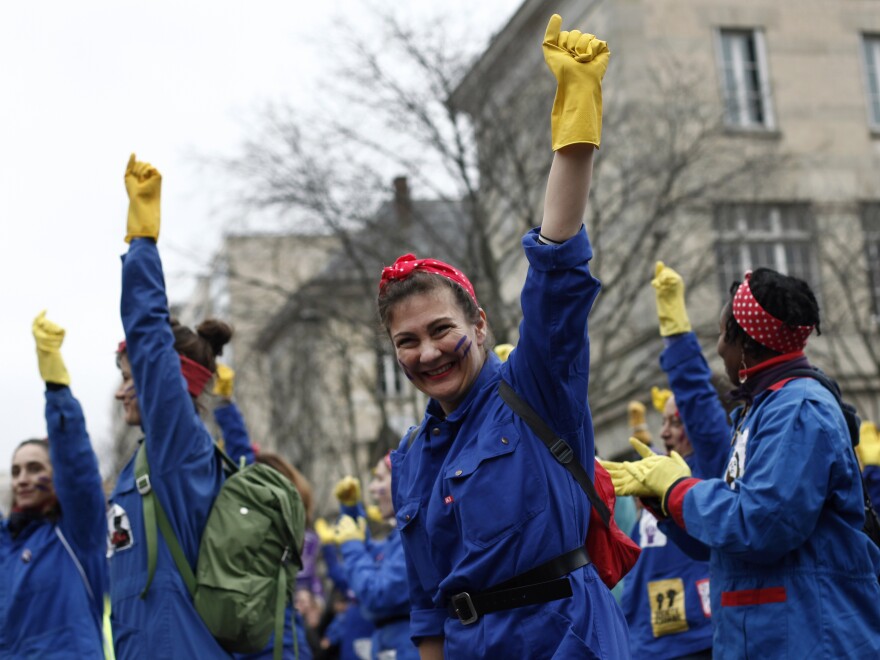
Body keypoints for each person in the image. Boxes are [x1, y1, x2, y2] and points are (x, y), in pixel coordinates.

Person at [377, 14, 628, 658]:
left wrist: (574, 140)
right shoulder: (408, 458)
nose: (427, 352)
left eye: (441, 330)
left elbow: (557, 283)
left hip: (566, 640)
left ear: (480, 325)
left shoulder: (536, 387)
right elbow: (427, 604)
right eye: (407, 342)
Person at [603, 266, 880, 658]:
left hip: (810, 639)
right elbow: (724, 542)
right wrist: (664, 501)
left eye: (720, 336)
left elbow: (762, 526)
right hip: (769, 637)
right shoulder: (763, 409)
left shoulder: (798, 410)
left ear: (745, 346)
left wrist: (679, 490)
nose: (718, 349)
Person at [108, 154, 232, 658]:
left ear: (166, 386)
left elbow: (150, 342)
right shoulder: (155, 457)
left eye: (129, 378)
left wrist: (141, 247)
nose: (121, 392)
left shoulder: (178, 446)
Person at [0, 312, 107, 657]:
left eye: (34, 468)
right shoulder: (5, 544)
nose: (23, 479)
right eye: (16, 472)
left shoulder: (77, 534)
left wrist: (57, 390)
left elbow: (77, 470)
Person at [324, 458, 419, 660]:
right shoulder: (399, 537)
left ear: (401, 481)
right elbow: (373, 559)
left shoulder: (413, 536)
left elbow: (378, 594)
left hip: (408, 646)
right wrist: (351, 511)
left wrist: (351, 545)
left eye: (379, 479)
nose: (372, 488)